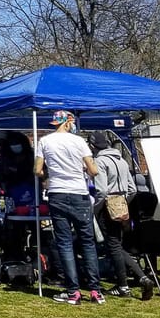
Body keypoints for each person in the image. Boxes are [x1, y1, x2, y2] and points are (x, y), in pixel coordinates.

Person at [35, 110, 103, 305]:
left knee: (64, 243)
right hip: (79, 193)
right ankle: (95, 290)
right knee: (88, 242)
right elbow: (94, 170)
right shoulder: (79, 141)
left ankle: (73, 290)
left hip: (57, 193)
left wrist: (48, 177)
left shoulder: (44, 141)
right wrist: (82, 170)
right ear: (68, 123)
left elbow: (37, 169)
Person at [90, 131, 153, 300]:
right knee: (117, 244)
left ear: (93, 146)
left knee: (114, 246)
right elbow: (132, 189)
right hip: (123, 205)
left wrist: (94, 211)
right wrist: (123, 201)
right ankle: (141, 278)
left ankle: (127, 284)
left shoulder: (99, 161)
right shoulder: (122, 160)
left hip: (107, 206)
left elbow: (101, 190)